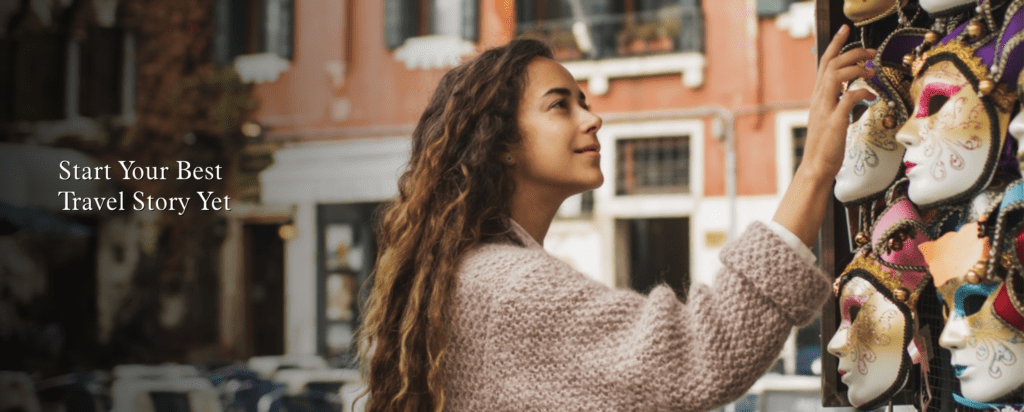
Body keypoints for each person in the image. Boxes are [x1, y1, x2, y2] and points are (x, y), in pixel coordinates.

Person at [357, 25, 877, 412]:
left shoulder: (475, 274)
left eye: (583, 101)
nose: (593, 117)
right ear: (502, 144)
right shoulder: (509, 288)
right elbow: (700, 355)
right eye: (560, 106)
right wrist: (814, 170)